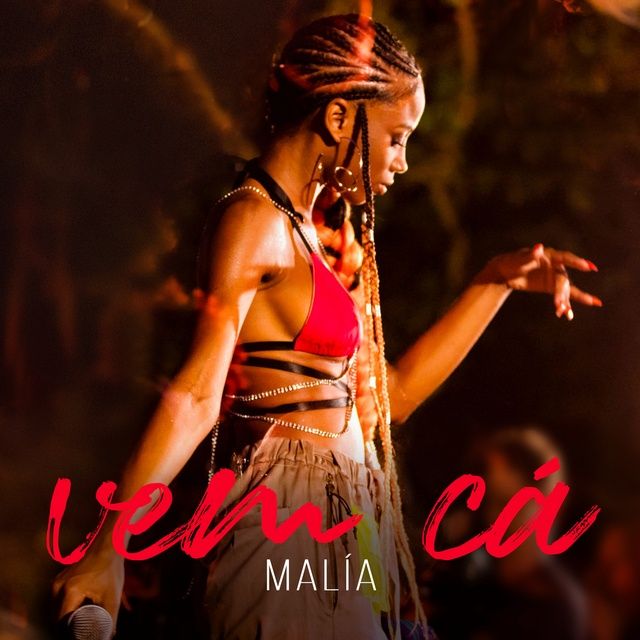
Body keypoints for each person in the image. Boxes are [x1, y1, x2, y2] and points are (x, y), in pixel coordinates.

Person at [52, 13, 602, 640]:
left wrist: (495, 282)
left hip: (338, 525)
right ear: (339, 118)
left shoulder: (312, 236)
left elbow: (390, 397)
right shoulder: (255, 222)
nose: (402, 162)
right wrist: (109, 545)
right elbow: (197, 395)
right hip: (287, 524)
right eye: (396, 138)